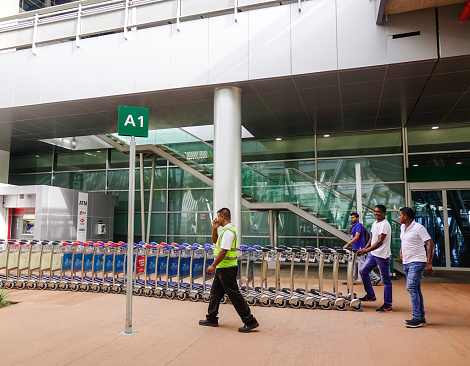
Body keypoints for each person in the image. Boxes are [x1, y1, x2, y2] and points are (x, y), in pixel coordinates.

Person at [199, 207, 259, 333]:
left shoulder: (228, 232)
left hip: (227, 269)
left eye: (218, 217)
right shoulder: (224, 231)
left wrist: (213, 265)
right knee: (215, 294)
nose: (217, 219)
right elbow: (215, 241)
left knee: (234, 295)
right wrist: (214, 229)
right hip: (223, 269)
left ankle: (250, 320)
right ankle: (211, 318)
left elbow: (223, 251)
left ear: (223, 217)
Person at [399, 207, 435, 328]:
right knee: (416, 289)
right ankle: (421, 317)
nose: (399, 217)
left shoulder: (418, 227)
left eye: (400, 215)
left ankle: (417, 317)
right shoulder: (402, 228)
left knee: (411, 287)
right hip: (407, 262)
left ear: (406, 216)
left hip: (417, 262)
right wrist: (401, 252)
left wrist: (429, 263)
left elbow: (430, 243)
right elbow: (404, 242)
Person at [357, 205, 393, 312]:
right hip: (373, 254)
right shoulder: (375, 223)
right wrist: (365, 249)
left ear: (384, 213)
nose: (376, 214)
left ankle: (388, 304)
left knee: (386, 280)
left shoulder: (385, 224)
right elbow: (373, 238)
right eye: (375, 212)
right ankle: (370, 295)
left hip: (382, 256)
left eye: (379, 212)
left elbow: (380, 242)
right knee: (363, 271)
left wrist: (365, 251)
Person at [343, 212, 380, 285]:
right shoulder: (354, 225)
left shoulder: (358, 225)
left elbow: (357, 237)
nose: (352, 219)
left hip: (359, 248)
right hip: (355, 247)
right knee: (354, 264)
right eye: (351, 217)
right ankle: (352, 280)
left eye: (353, 217)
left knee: (363, 264)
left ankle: (376, 278)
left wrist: (348, 244)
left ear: (357, 218)